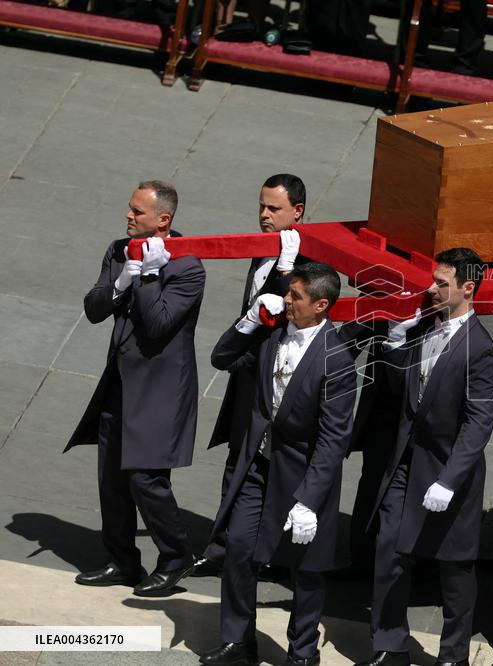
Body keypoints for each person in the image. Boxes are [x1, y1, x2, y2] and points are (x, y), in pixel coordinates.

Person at [200, 262, 358, 666]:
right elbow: (221, 357)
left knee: (305, 568)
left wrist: (309, 499)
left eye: (296, 296)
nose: (287, 300)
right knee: (238, 547)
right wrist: (250, 318)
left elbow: (333, 437)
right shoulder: (269, 335)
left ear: (321, 305)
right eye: (288, 292)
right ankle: (238, 640)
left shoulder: (336, 358)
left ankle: (302, 652)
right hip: (258, 464)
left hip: (303, 474)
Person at [354, 247, 493, 666]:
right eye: (433, 280)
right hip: (406, 464)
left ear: (467, 288)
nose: (431, 288)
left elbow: (479, 422)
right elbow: (408, 388)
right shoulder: (423, 329)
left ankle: (453, 655)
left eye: (441, 282)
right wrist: (397, 343)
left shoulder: (480, 348)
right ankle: (389, 644)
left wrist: (449, 480)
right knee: (389, 552)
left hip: (449, 471)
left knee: (454, 569)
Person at [67, 181, 204, 596]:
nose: (128, 217)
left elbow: (160, 323)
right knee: (112, 477)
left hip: (161, 388)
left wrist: (145, 278)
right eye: (129, 209)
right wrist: (121, 282)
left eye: (137, 213)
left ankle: (176, 556)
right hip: (122, 381)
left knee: (146, 478)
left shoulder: (188, 267)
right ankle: (122, 560)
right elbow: (93, 309)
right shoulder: (118, 251)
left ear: (163, 220)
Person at [193, 173, 310, 578]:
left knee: (272, 466)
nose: (263, 215)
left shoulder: (306, 262)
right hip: (247, 374)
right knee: (236, 458)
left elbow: (281, 311)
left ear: (297, 211)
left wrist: (287, 267)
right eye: (261, 206)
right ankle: (222, 546)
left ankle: (266, 551)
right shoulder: (262, 250)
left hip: (278, 382)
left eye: (273, 209)